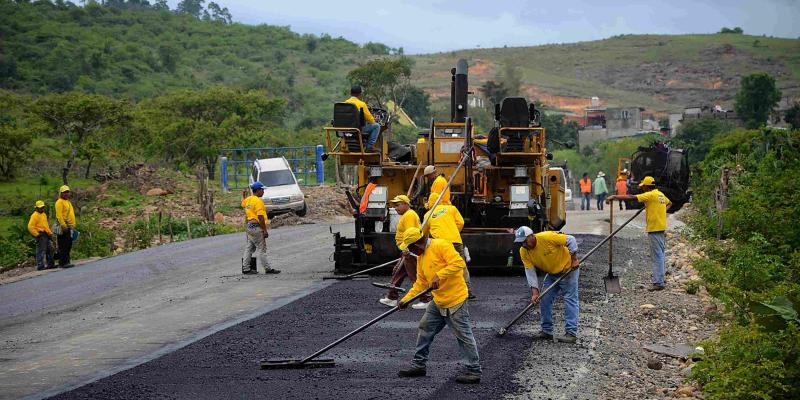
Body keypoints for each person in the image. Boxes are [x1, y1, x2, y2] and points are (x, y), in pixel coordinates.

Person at [397, 227, 481, 384]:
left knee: (463, 336)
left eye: (409, 247)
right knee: (424, 329)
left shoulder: (441, 245)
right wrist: (406, 300)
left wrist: (439, 275)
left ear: (417, 244)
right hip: (438, 300)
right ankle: (418, 365)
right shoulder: (421, 257)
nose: (408, 251)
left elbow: (458, 263)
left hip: (456, 299)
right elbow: (420, 283)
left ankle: (474, 371)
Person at [515, 226, 581, 343]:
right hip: (552, 274)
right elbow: (530, 272)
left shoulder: (547, 237)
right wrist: (535, 292)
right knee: (544, 298)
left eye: (525, 241)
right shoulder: (523, 251)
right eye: (521, 243)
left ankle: (571, 333)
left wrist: (574, 259)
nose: (524, 244)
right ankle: (547, 330)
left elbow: (571, 239)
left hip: (568, 270)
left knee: (570, 299)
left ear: (532, 236)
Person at [607, 176, 671, 291]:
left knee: (657, 255)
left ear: (647, 187)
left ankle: (658, 282)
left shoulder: (650, 195)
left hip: (654, 228)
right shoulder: (660, 194)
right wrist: (658, 210)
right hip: (661, 227)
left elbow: (632, 197)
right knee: (660, 253)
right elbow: (669, 203)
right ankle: (661, 278)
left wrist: (615, 196)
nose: (642, 189)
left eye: (643, 187)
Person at [379, 195, 431, 309]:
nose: (396, 208)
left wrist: (407, 249)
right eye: (394, 205)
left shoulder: (409, 215)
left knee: (415, 275)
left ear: (406, 204)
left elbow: (411, 234)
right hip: (407, 247)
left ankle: (426, 298)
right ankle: (391, 297)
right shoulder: (407, 215)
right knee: (399, 272)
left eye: (398, 205)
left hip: (410, 248)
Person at [423, 193, 474, 299]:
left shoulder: (428, 214)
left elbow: (424, 232)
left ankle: (443, 292)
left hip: (441, 244)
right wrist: (454, 232)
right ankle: (467, 292)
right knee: (461, 266)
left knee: (441, 267)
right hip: (456, 241)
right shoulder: (451, 209)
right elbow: (461, 222)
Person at [241, 182, 280, 274]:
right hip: (256, 227)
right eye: (262, 190)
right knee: (261, 248)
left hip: (249, 227)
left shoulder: (249, 199)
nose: (263, 191)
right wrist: (264, 230)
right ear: (258, 190)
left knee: (249, 248)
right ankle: (267, 269)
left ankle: (246, 268)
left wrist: (243, 195)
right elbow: (260, 217)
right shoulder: (258, 201)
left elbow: (242, 203)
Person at [344, 85, 381, 153]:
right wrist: (374, 120)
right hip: (358, 129)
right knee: (376, 126)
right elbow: (370, 120)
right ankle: (369, 147)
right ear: (360, 94)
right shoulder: (362, 104)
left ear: (350, 93)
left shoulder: (345, 103)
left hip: (346, 130)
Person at [28, 200, 55, 271]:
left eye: (42, 207)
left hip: (46, 234)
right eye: (40, 207)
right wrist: (37, 234)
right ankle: (40, 265)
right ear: (36, 208)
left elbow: (46, 226)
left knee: (50, 248)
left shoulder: (44, 215)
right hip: (40, 234)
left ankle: (50, 264)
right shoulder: (34, 216)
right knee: (41, 250)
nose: (42, 209)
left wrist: (50, 233)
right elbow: (30, 227)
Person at [55, 185, 76, 268]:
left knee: (68, 244)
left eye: (67, 192)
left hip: (69, 226)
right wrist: (63, 225)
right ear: (61, 193)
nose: (66, 193)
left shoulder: (68, 202)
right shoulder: (59, 202)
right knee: (63, 244)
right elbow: (59, 215)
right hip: (64, 226)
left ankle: (66, 261)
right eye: (64, 192)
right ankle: (63, 262)